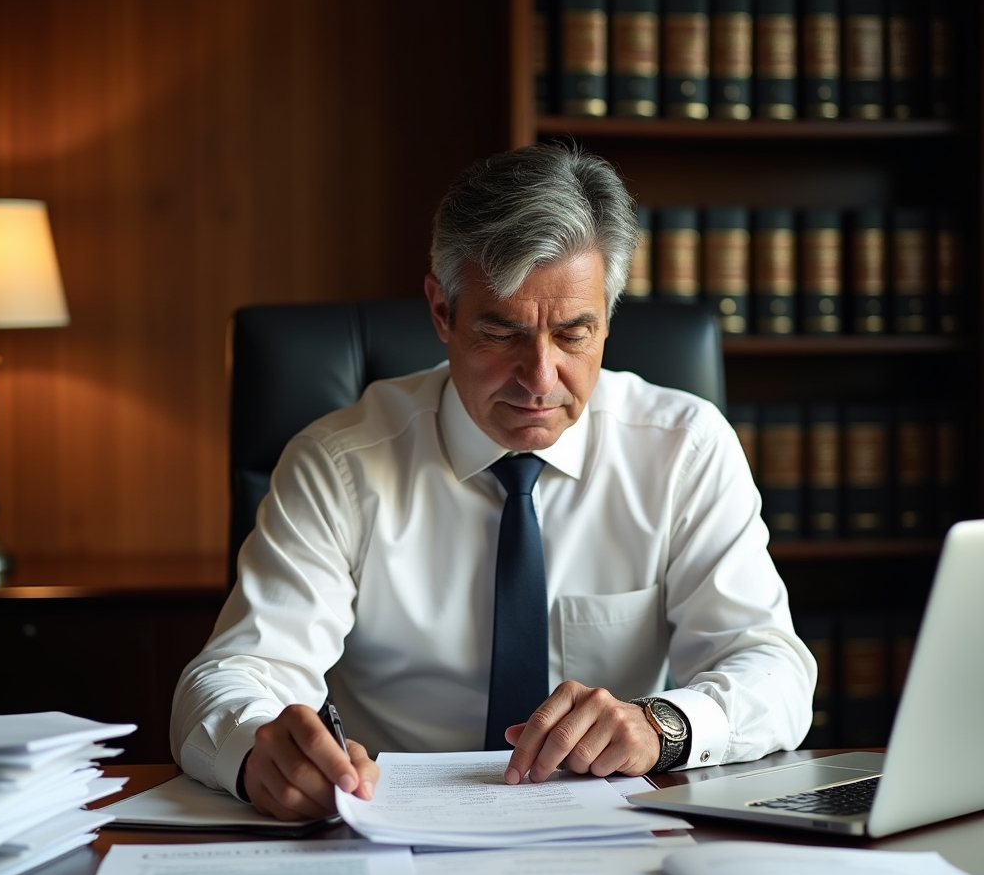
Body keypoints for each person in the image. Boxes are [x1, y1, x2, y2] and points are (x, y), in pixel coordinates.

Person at [171, 144, 816, 820]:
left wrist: (661, 726)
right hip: (388, 824)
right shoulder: (339, 462)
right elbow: (231, 674)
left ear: (608, 318)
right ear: (441, 313)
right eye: (501, 332)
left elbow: (771, 667)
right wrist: (257, 753)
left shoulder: (683, 448)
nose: (539, 379)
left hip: (608, 830)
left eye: (574, 334)